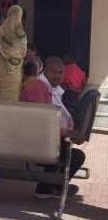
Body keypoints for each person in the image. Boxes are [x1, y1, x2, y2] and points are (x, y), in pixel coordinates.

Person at [21, 56, 85, 199]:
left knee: (66, 148)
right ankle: (54, 187)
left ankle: (47, 188)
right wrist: (67, 132)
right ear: (45, 70)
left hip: (46, 139)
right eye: (53, 72)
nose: (57, 76)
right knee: (76, 156)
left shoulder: (49, 87)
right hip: (36, 142)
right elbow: (42, 123)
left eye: (60, 72)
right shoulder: (37, 88)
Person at [0, 5, 27, 102]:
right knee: (12, 96)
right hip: (13, 70)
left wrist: (3, 51)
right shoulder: (21, 35)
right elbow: (23, 53)